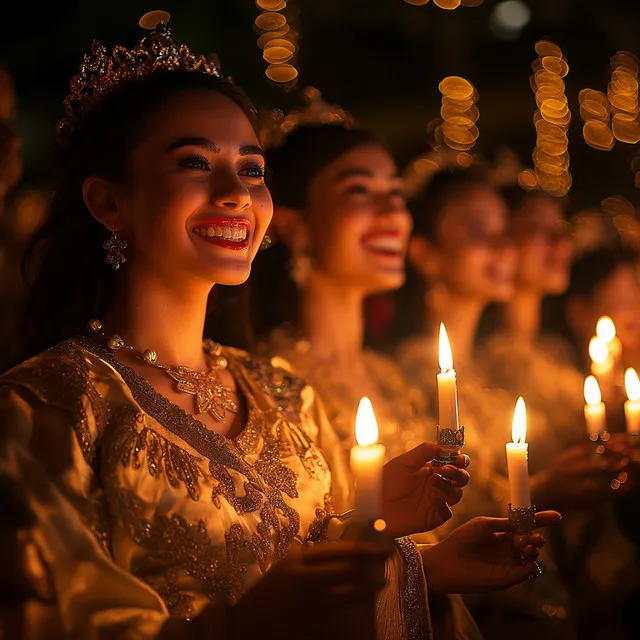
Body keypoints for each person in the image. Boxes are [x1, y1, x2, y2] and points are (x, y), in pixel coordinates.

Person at [0, 17, 556, 640]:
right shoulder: (46, 408)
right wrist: (244, 626)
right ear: (109, 202)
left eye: (252, 170)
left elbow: (313, 576)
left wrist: (417, 561)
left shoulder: (286, 396)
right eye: (193, 162)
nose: (235, 193)